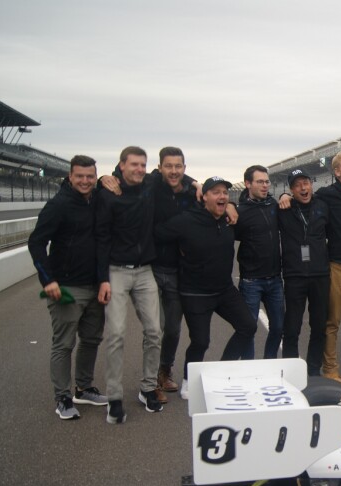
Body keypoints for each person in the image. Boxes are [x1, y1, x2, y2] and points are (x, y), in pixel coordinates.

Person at [282, 151, 341, 385]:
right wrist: (284, 194)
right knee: (330, 322)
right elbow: (300, 199)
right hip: (335, 266)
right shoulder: (326, 196)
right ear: (337, 172)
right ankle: (329, 367)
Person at [154, 177, 258, 391]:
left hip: (224, 290)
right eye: (216, 192)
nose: (222, 196)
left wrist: (232, 206)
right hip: (195, 293)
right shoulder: (186, 220)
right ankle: (187, 382)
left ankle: (222, 372)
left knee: (248, 326)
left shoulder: (228, 219)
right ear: (205, 197)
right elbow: (156, 235)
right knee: (201, 342)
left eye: (225, 193)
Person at [29, 155, 107, 420]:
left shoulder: (97, 199)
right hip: (66, 288)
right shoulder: (58, 205)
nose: (85, 181)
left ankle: (83, 389)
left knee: (92, 339)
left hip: (95, 286)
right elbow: (36, 242)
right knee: (63, 343)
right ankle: (62, 397)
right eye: (80, 176)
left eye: (90, 176)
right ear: (70, 177)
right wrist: (47, 280)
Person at [95, 146, 162, 424]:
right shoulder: (108, 193)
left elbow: (176, 175)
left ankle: (147, 388)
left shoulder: (150, 184)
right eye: (133, 164)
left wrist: (195, 182)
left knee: (155, 331)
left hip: (145, 270)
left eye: (143, 165)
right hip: (116, 271)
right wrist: (102, 279)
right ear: (121, 166)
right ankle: (114, 396)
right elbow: (100, 238)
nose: (139, 169)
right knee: (117, 334)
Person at [150, 146, 199, 403]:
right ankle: (149, 382)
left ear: (184, 168)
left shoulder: (191, 193)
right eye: (168, 166)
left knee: (172, 328)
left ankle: (164, 369)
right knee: (153, 328)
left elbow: (215, 200)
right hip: (151, 267)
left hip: (178, 270)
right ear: (159, 168)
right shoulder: (151, 185)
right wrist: (105, 178)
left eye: (178, 166)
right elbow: (122, 172)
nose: (173, 171)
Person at [278, 170, 330, 376]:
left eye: (306, 183)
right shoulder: (284, 209)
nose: (303, 188)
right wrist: (282, 198)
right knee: (292, 326)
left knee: (319, 326)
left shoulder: (323, 206)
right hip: (294, 276)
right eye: (298, 185)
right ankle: (291, 369)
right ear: (291, 190)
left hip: (320, 275)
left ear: (311, 184)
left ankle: (314, 369)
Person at [235, 165, 284, 360]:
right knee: (249, 328)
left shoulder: (274, 206)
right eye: (260, 182)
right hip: (251, 281)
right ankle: (249, 366)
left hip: (275, 279)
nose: (265, 186)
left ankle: (269, 362)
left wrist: (285, 194)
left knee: (279, 326)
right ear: (248, 184)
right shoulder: (240, 212)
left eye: (267, 181)